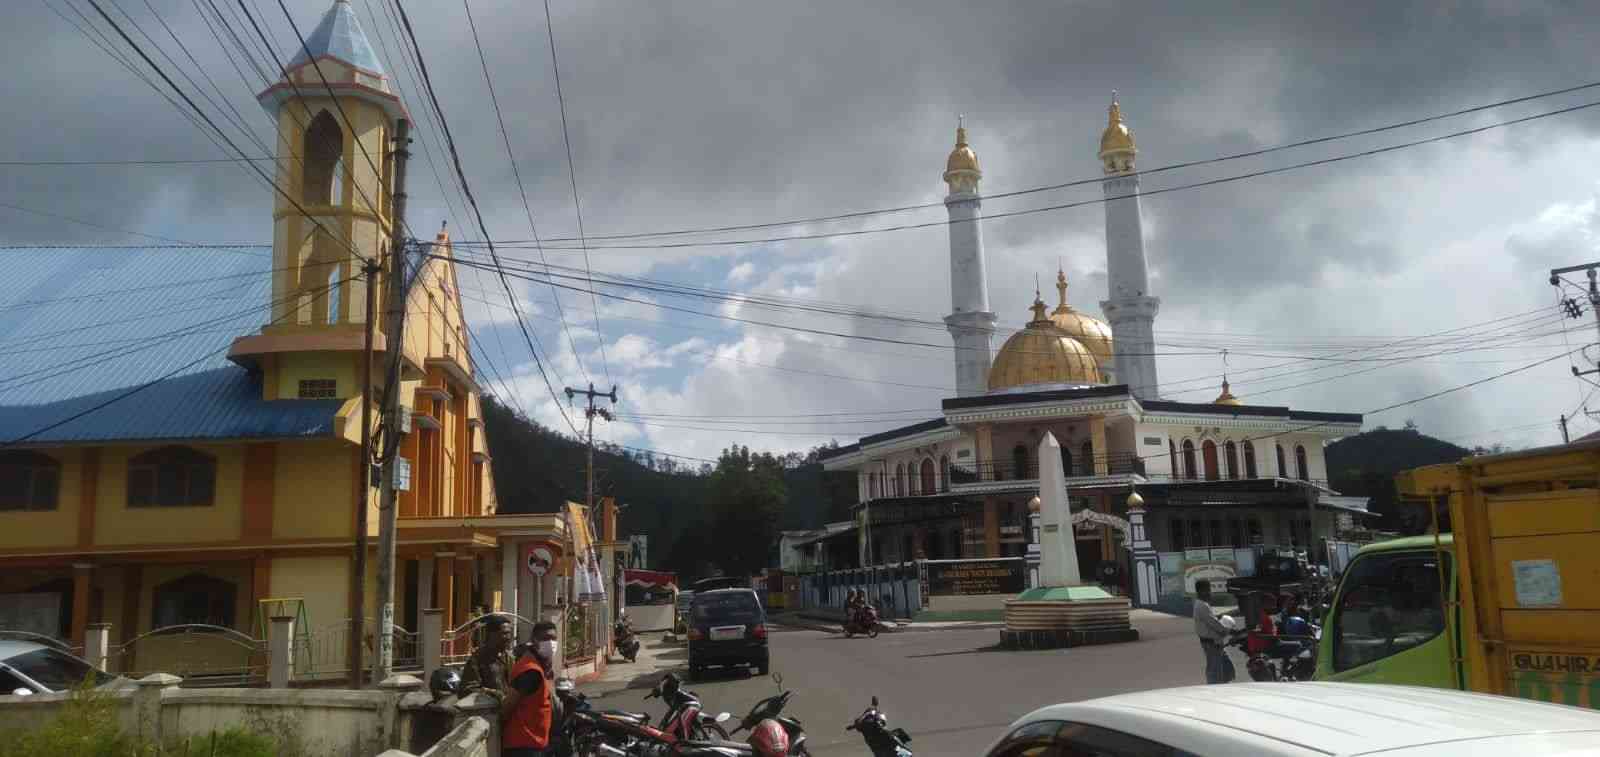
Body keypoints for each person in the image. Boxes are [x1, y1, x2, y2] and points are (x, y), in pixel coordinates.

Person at [501, 621, 559, 757]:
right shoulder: (530, 671)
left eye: (553, 639)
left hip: (534, 743)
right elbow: (507, 707)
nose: (551, 643)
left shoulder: (540, 665)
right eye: (545, 638)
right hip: (524, 746)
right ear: (534, 640)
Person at [460, 615, 514, 694]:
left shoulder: (510, 658)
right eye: (504, 633)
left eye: (509, 633)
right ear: (492, 634)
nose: (508, 637)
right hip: (489, 705)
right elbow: (468, 689)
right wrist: (495, 694)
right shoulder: (477, 660)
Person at [1193, 580, 1234, 684]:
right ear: (1201, 591)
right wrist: (1226, 630)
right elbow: (1214, 623)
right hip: (1211, 643)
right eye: (1208, 590)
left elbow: (1212, 620)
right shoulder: (1202, 605)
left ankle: (1221, 687)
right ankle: (1214, 690)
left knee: (1224, 666)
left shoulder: (1203, 604)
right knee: (1215, 670)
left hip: (1214, 642)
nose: (1210, 593)